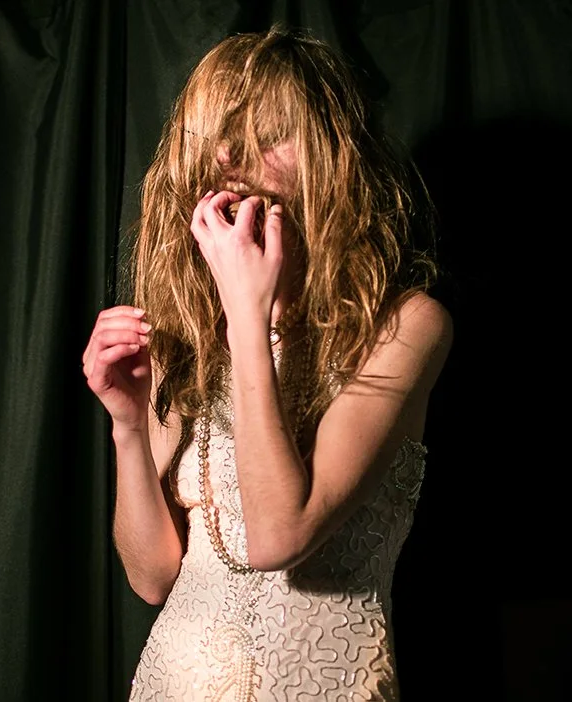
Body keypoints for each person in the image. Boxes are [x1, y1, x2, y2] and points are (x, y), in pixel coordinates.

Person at [83, 25, 452, 701]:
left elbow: (280, 535)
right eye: (220, 137)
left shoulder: (404, 325)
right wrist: (127, 424)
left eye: (265, 135)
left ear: (330, 157)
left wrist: (249, 317)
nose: (230, 157)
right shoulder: (187, 333)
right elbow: (153, 579)